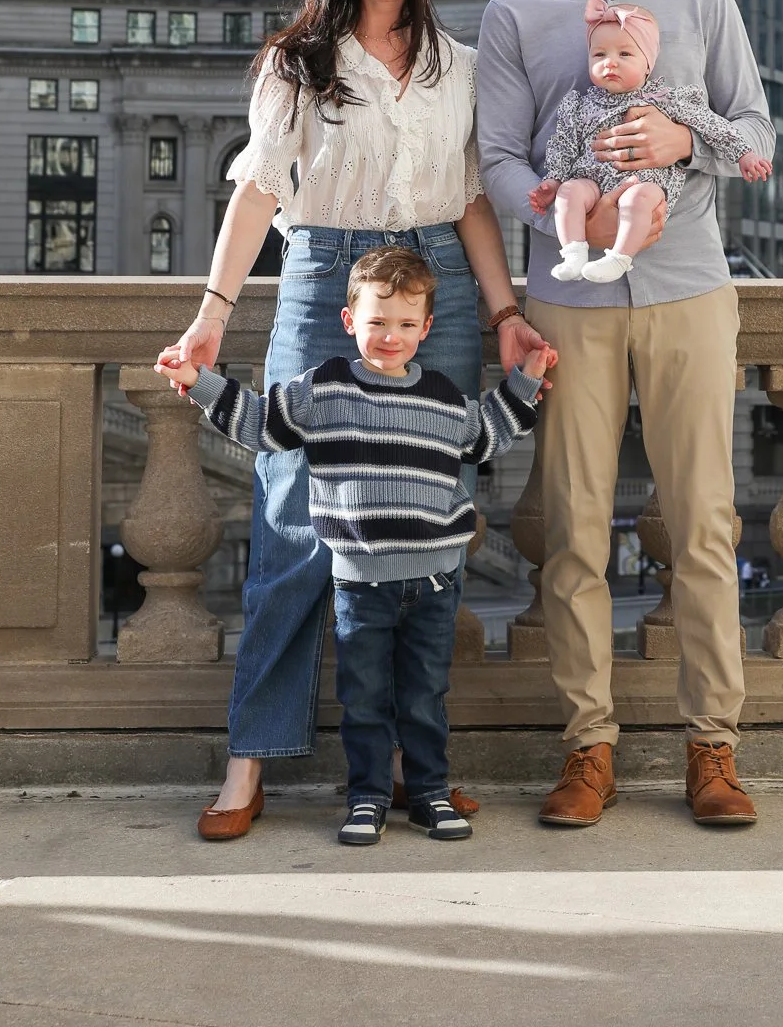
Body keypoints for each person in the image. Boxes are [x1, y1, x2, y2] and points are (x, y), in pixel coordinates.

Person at [159, 0, 550, 841]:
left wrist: (503, 311)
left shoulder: (455, 64)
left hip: (443, 284)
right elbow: (255, 194)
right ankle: (249, 757)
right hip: (325, 270)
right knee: (292, 521)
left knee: (433, 508)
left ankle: (417, 766)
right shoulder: (297, 63)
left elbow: (469, 199)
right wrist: (212, 313)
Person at [477, 0, 775, 829]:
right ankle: (587, 746)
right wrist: (567, 204)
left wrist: (678, 146)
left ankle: (713, 748)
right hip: (569, 298)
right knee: (573, 534)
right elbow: (500, 157)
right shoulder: (516, 15)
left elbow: (754, 133)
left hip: (691, 286)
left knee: (701, 525)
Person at [158, 246, 550, 846]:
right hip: (360, 582)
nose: (390, 337)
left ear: (425, 329)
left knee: (424, 697)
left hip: (434, 582)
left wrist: (525, 380)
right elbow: (261, 425)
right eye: (376, 322)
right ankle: (366, 796)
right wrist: (198, 381)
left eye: (404, 325)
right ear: (349, 322)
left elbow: (489, 436)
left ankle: (427, 794)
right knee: (363, 700)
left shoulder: (444, 397)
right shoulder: (323, 390)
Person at [529, 0, 763, 283]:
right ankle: (574, 252)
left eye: (624, 55)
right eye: (599, 55)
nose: (610, 63)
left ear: (648, 65)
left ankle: (619, 258)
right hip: (591, 178)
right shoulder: (579, 104)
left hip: (646, 181)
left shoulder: (664, 100)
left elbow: (711, 123)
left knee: (637, 200)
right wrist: (554, 180)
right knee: (569, 193)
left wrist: (744, 153)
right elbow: (563, 144)